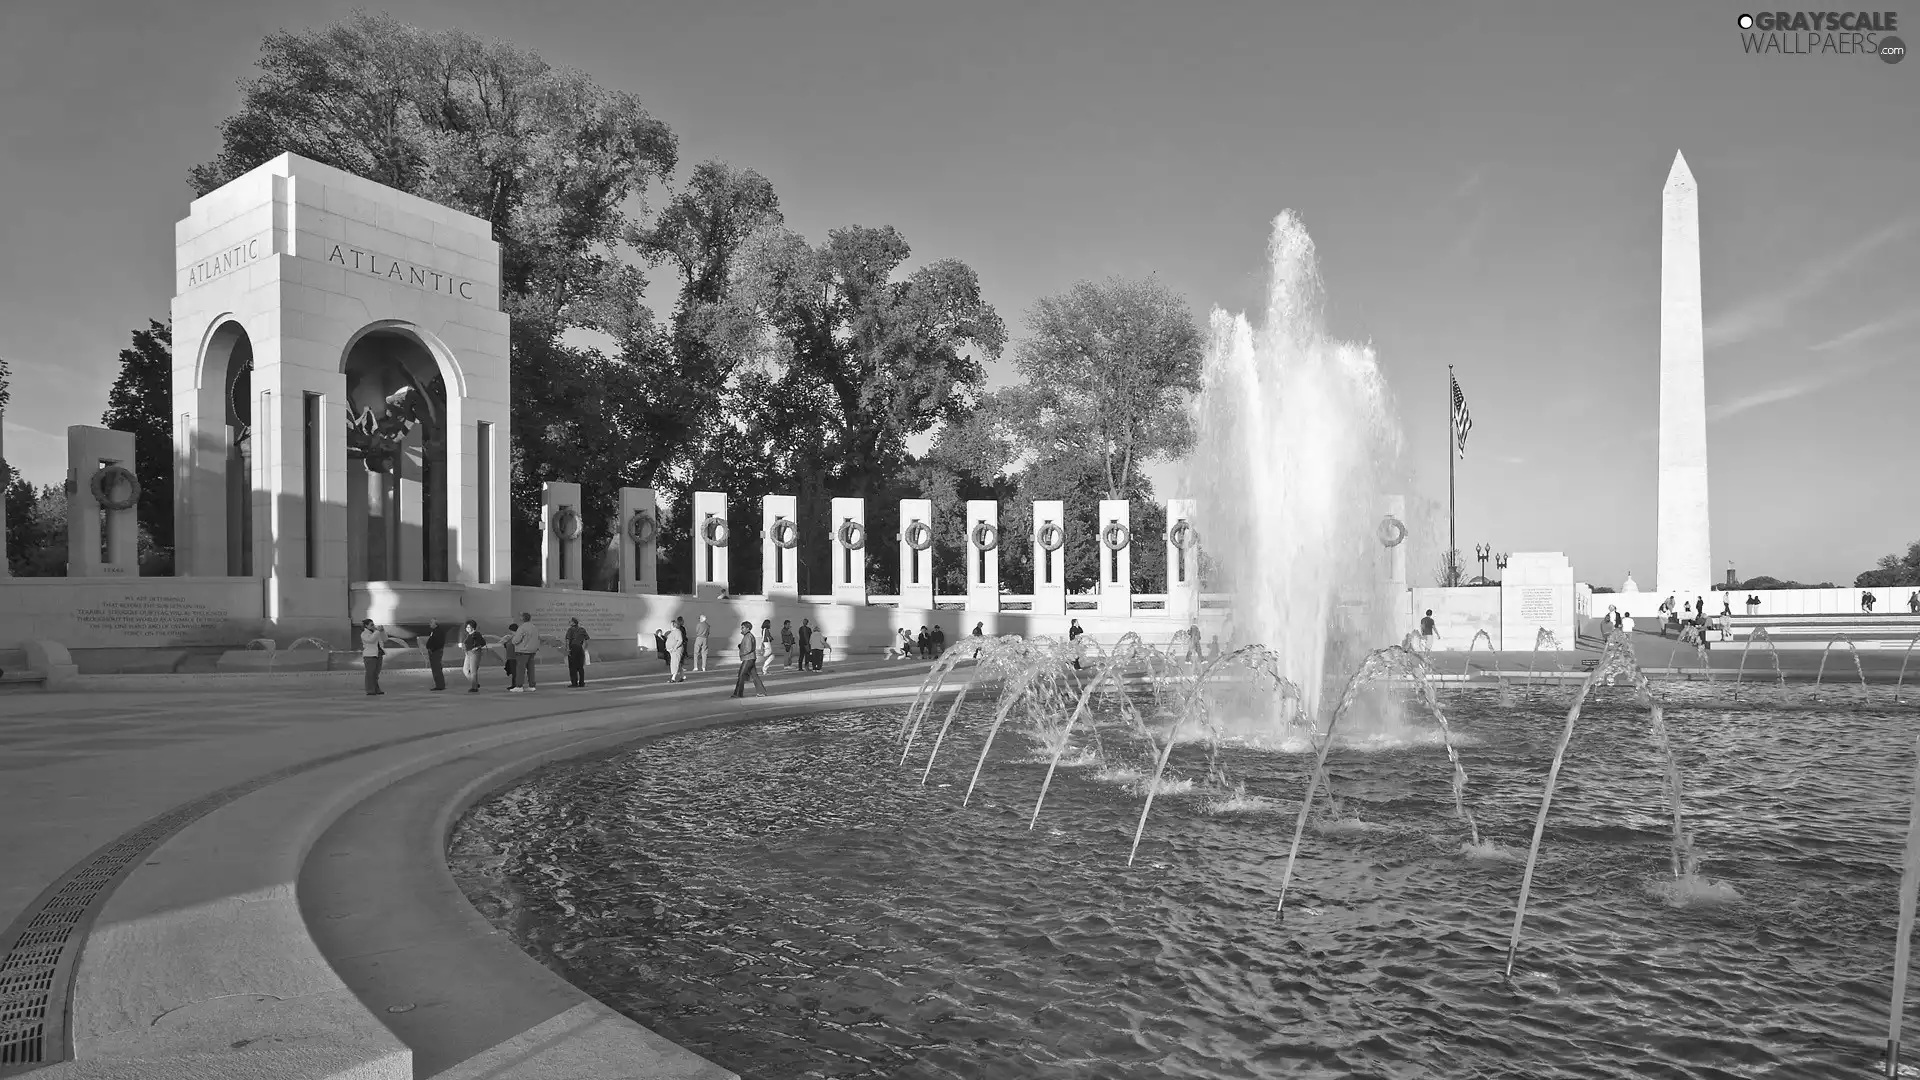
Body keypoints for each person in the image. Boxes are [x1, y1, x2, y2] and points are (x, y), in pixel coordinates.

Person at [730, 621, 768, 698]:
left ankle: (738, 693)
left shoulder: (748, 636)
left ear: (748, 628)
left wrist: (741, 650)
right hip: (751, 658)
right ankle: (762, 692)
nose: (742, 629)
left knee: (741, 675)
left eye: (743, 628)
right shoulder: (748, 636)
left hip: (748, 658)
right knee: (754, 676)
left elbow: (748, 649)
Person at [359, 618, 385, 696]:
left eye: (373, 624)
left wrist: (382, 631)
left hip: (378, 654)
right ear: (366, 626)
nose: (373, 626)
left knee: (376, 673)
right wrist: (377, 631)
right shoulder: (364, 634)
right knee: (370, 673)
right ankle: (370, 690)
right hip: (369, 655)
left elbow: (385, 639)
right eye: (371, 625)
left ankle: (376, 689)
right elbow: (371, 640)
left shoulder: (376, 632)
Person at [515, 613, 540, 691]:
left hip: (523, 651)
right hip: (532, 651)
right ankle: (532, 686)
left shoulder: (522, 628)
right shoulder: (534, 627)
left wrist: (513, 641)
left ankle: (519, 686)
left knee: (520, 669)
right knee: (531, 669)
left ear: (523, 618)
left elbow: (516, 640)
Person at [422, 617, 449, 691]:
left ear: (435, 624)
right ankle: (439, 684)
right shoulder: (434, 631)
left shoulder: (438, 631)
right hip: (434, 652)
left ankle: (440, 685)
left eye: (431, 622)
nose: (429, 624)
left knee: (437, 668)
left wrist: (432, 649)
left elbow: (439, 643)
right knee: (435, 668)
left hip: (436, 652)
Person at [460, 619, 486, 692]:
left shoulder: (476, 634)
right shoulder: (469, 635)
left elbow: (483, 643)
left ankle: (474, 687)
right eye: (466, 627)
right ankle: (475, 683)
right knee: (465, 669)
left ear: (473, 627)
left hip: (474, 653)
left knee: (473, 670)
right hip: (468, 653)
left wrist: (477, 647)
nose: (467, 629)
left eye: (469, 627)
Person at [564, 617, 590, 688]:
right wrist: (584, 648)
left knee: (572, 667)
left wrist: (567, 649)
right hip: (580, 648)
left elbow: (568, 640)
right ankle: (581, 683)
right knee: (580, 667)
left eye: (570, 621)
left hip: (573, 648)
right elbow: (587, 640)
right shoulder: (582, 629)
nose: (569, 622)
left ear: (573, 623)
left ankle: (574, 683)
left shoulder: (570, 630)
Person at [503, 622, 521, 689]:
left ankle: (516, 685)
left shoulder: (518, 637)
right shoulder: (510, 637)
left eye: (511, 630)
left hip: (516, 657)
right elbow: (507, 646)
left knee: (515, 672)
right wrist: (505, 642)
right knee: (513, 672)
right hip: (510, 657)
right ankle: (514, 685)